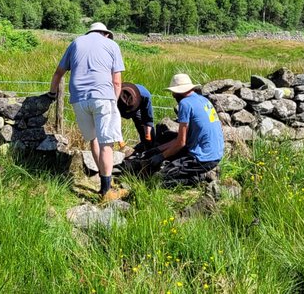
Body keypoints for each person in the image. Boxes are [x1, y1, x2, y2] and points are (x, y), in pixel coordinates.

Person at [50, 22, 128, 202]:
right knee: (106, 143)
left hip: (79, 98)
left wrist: (52, 93)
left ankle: (102, 178)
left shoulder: (76, 43)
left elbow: (58, 72)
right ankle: (106, 190)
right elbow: (117, 81)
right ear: (105, 34)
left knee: (93, 139)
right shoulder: (112, 45)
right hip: (103, 96)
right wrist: (113, 101)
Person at [140, 73, 224, 187]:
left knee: (157, 179)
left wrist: (161, 156)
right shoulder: (203, 100)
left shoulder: (185, 104)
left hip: (202, 158)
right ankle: (198, 174)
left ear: (178, 92)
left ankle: (197, 178)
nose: (173, 95)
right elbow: (181, 139)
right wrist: (157, 150)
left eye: (173, 93)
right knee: (169, 143)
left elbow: (181, 143)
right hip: (216, 154)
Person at [118, 82, 156, 151]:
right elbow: (113, 123)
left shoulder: (145, 96)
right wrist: (121, 144)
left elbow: (147, 119)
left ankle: (149, 147)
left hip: (137, 102)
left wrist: (148, 137)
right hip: (118, 104)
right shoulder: (112, 97)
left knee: (142, 125)